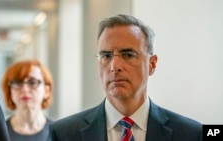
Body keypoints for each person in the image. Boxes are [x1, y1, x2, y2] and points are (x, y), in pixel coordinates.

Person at [47, 14, 202, 141]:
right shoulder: (62, 134)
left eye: (128, 55)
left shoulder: (192, 134)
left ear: (152, 64)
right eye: (106, 55)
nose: (115, 66)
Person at [1, 59, 54, 141]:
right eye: (18, 83)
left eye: (32, 82)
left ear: (46, 90)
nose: (25, 89)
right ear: (9, 91)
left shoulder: (58, 134)